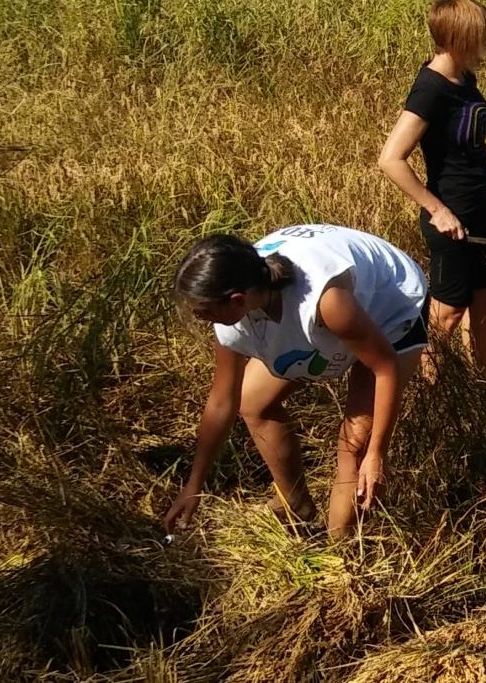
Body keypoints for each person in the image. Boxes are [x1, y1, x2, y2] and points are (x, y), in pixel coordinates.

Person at [163, 224, 429, 540]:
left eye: (203, 311)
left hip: (390, 306)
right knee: (253, 402)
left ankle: (339, 555)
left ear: (236, 300)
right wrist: (194, 485)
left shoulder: (324, 300)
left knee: (355, 444)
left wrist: (377, 452)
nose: (199, 318)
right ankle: (297, 505)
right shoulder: (240, 305)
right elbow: (223, 401)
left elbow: (385, 368)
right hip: (331, 311)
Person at [378, 0, 486, 371]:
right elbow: (390, 159)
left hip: (479, 207)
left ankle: (483, 389)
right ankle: (424, 389)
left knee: (485, 300)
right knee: (447, 313)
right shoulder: (430, 88)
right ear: (460, 37)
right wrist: (437, 210)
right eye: (481, 35)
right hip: (451, 217)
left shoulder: (464, 78)